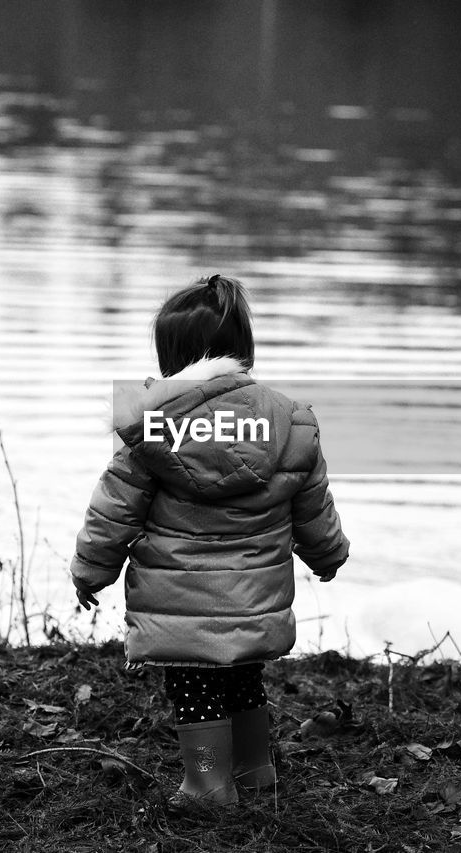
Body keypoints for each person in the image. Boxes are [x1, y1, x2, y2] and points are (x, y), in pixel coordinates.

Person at [70, 274, 349, 809]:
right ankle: (255, 775)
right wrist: (327, 554)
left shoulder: (153, 429)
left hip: (182, 606)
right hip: (254, 599)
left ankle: (207, 787)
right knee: (245, 682)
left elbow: (113, 510)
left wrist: (91, 571)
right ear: (243, 351)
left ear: (173, 361)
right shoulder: (290, 423)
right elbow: (313, 505)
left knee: (195, 693)